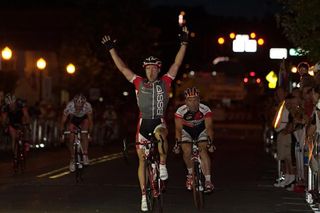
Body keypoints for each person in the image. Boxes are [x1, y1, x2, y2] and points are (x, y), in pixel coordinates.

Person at [101, 26, 188, 212]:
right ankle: (143, 195)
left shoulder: (165, 81)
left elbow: (177, 63)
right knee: (142, 160)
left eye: (153, 68)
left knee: (161, 137)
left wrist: (184, 43)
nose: (150, 72)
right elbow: (122, 68)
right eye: (147, 68)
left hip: (158, 121)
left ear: (158, 69)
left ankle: (162, 165)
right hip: (143, 122)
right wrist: (111, 49)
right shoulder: (138, 82)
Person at [173, 87, 215, 193]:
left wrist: (210, 142)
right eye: (190, 100)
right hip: (187, 132)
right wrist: (177, 144)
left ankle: (208, 181)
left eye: (195, 99)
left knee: (203, 150)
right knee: (187, 151)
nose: (193, 103)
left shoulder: (205, 109)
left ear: (199, 100)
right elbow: (178, 129)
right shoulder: (180, 111)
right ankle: (190, 175)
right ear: (186, 101)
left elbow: (209, 127)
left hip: (201, 131)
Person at [60, 94, 93, 172]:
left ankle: (85, 154)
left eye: (80, 107)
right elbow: (62, 122)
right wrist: (62, 133)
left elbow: (91, 122)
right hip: (73, 120)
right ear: (74, 104)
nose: (78, 108)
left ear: (83, 105)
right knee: (70, 140)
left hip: (83, 119)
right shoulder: (69, 107)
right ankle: (72, 158)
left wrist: (90, 133)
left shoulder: (87, 106)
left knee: (84, 133)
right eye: (77, 106)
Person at [1, 93, 30, 161]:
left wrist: (27, 124)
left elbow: (26, 115)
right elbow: (4, 119)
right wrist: (4, 126)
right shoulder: (4, 107)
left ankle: (26, 142)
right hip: (12, 121)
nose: (12, 106)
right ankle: (15, 156)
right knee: (14, 137)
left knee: (25, 128)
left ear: (15, 102)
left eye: (13, 104)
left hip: (21, 118)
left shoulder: (20, 103)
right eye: (10, 105)